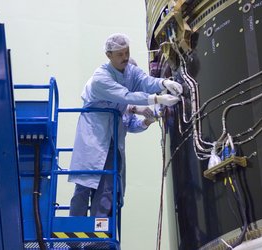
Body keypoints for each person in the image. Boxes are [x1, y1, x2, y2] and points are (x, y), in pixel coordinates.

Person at [68, 33, 182, 217]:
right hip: (93, 136)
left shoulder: (130, 71)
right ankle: (74, 237)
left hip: (113, 137)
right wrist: (157, 98)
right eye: (120, 54)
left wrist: (163, 82)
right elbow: (125, 96)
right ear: (109, 55)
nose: (125, 57)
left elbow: (145, 82)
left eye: (127, 52)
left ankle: (98, 239)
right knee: (84, 185)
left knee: (107, 188)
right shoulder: (100, 78)